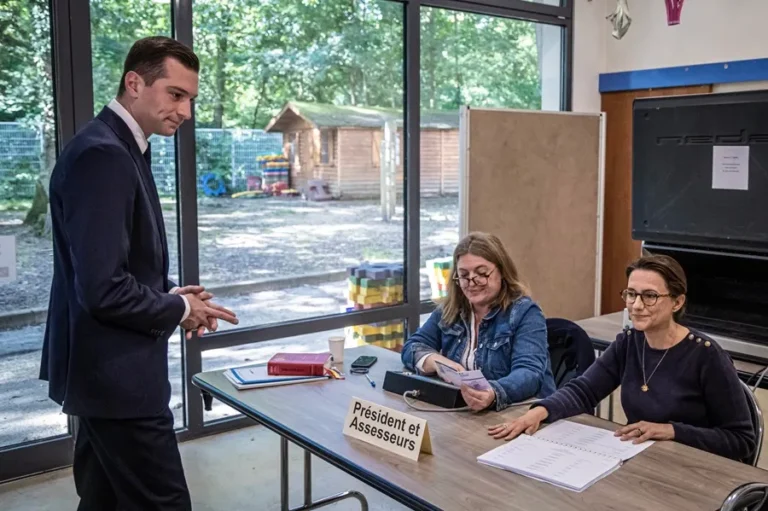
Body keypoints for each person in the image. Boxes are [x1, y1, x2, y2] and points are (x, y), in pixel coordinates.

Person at [40, 36, 239, 510]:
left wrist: (170, 294)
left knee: (103, 500)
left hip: (102, 376)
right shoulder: (104, 154)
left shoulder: (118, 145)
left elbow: (106, 266)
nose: (186, 111)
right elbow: (102, 288)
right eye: (175, 94)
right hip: (117, 380)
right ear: (134, 82)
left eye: (190, 98)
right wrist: (178, 307)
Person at [488, 255, 756, 462]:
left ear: (677, 302)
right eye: (631, 294)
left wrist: (673, 431)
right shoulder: (630, 342)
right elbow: (584, 390)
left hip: (692, 474)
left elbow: (742, 441)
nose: (636, 305)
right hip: (640, 462)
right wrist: (538, 412)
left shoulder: (706, 355)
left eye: (650, 296)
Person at [401, 232, 556, 411]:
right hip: (468, 412)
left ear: (502, 272)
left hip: (521, 412)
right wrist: (438, 362)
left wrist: (493, 392)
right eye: (464, 275)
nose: (472, 282)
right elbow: (412, 346)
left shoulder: (525, 313)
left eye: (482, 274)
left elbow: (529, 374)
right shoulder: (452, 309)